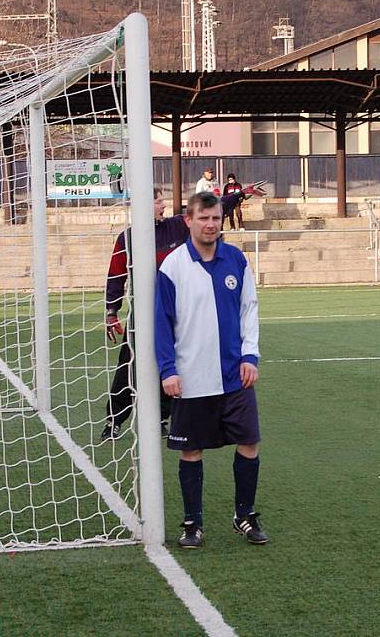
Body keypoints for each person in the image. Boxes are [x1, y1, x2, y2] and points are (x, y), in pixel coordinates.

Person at [155, 191, 268, 549]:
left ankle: (244, 515)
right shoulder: (172, 266)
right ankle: (193, 523)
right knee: (192, 451)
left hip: (235, 375)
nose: (210, 225)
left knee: (249, 442)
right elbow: (162, 323)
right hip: (191, 377)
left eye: (216, 219)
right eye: (203, 218)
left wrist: (250, 356)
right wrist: (168, 370)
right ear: (188, 220)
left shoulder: (235, 259)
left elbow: (249, 309)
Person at [101, 188, 190, 441]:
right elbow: (116, 276)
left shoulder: (177, 226)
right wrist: (111, 312)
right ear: (141, 206)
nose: (163, 204)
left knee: (173, 364)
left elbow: (206, 211)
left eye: (162, 199)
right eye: (157, 200)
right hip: (142, 315)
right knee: (129, 366)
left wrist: (238, 196)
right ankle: (114, 421)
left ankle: (163, 418)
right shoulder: (126, 239)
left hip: (178, 313)